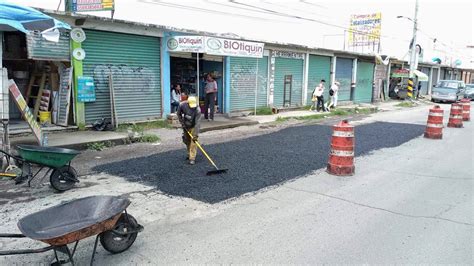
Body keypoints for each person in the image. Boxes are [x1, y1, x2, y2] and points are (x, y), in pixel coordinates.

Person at [177, 96, 201, 165]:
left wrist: (195, 135)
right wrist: (182, 123)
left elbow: (197, 124)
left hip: (193, 126)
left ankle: (192, 158)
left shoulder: (197, 110)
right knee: (187, 141)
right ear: (187, 103)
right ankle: (189, 154)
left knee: (193, 142)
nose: (192, 107)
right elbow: (178, 114)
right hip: (186, 126)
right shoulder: (182, 105)